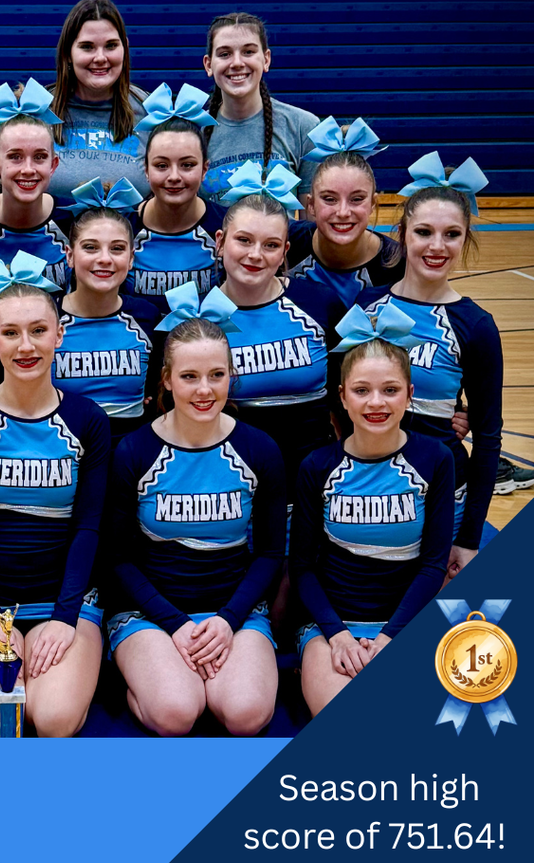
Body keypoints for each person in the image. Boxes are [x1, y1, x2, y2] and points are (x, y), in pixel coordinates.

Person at [0, 265, 110, 737]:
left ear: (59, 333)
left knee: (53, 720)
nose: (26, 346)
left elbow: (88, 527)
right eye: (11, 333)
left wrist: (64, 617)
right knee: (1, 724)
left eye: (38, 330)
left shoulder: (88, 419)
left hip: (63, 600)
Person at [108, 313, 285, 736]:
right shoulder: (133, 451)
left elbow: (269, 553)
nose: (204, 390)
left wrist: (227, 620)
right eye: (189, 376)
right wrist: (175, 625)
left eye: (216, 375)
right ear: (167, 380)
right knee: (176, 713)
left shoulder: (260, 449)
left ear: (231, 376)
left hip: (233, 612)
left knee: (246, 715)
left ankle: (199, 673)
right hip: (151, 613)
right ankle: (145, 680)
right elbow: (118, 558)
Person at [292, 307, 454, 715]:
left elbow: (434, 564)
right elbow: (303, 568)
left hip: (405, 620)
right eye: (362, 390)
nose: (376, 402)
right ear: (343, 396)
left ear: (410, 393)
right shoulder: (317, 466)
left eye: (390, 390)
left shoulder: (435, 458)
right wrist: (337, 634)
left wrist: (390, 637)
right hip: (333, 624)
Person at [358, 153, 502, 579]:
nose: (436, 247)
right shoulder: (365, 308)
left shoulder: (475, 326)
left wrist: (470, 536)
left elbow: (489, 439)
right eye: (424, 232)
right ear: (401, 234)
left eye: (451, 234)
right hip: (368, 490)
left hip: (442, 493)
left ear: (465, 239)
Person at [212, 174, 344, 501]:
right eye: (243, 240)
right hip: (230, 493)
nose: (256, 255)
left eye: (270, 245)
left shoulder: (320, 304)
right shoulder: (197, 315)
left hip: (314, 491)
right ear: (220, 241)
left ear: (285, 250)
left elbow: (354, 395)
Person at [55, 190, 157, 440]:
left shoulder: (148, 317)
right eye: (90, 247)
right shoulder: (44, 317)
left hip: (129, 454)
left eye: (117, 249)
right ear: (69, 255)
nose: (104, 259)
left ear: (131, 259)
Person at [0, 79, 73, 293]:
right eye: (15, 157)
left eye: (40, 157)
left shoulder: (72, 218)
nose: (28, 169)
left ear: (53, 165)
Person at [200, 11, 319, 204]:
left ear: (266, 59)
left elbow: (310, 227)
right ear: (208, 65)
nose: (237, 63)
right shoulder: (194, 132)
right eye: (224, 54)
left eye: (248, 52)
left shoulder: (303, 127)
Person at [126, 86, 225, 315]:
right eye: (161, 165)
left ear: (204, 169)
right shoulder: (122, 228)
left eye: (187, 165)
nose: (174, 177)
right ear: (146, 169)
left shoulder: (228, 227)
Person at [287, 117, 403, 307]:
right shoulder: (286, 244)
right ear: (311, 205)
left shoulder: (397, 263)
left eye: (356, 199)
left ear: (373, 203)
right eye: (329, 199)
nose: (342, 212)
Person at [47, 0, 149, 199]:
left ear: (125, 48)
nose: (100, 57)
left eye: (111, 45)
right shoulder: (38, 110)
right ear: (68, 52)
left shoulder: (152, 112)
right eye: (87, 47)